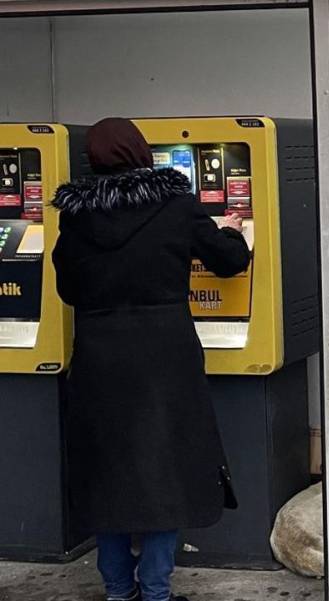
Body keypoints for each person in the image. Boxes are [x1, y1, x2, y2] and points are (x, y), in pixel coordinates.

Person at [52, 118, 250, 601]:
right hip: (165, 358)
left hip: (100, 359)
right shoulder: (175, 204)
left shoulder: (76, 216)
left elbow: (67, 288)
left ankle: (120, 591)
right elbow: (228, 260)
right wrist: (233, 231)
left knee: (109, 478)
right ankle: (156, 590)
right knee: (168, 474)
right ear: (141, 151)